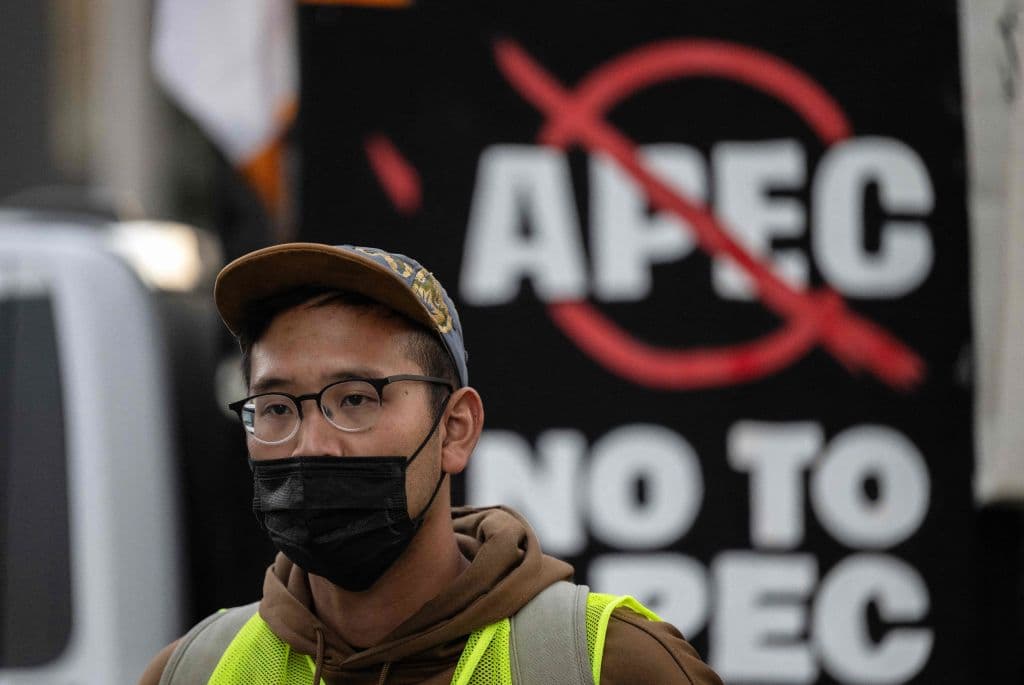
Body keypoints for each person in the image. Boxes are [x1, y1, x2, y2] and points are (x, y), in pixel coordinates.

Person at [139, 242, 723, 685]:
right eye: (275, 407)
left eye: (356, 400)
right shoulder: (196, 672)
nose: (311, 443)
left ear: (455, 429)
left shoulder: (609, 666)